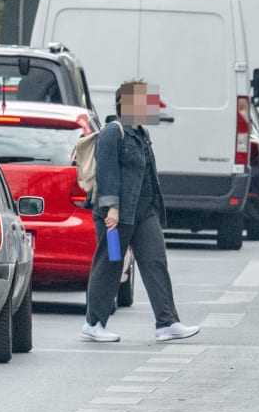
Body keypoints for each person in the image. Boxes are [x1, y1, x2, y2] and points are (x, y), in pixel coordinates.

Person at [80, 80, 200, 343]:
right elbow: (107, 171)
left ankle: (167, 323)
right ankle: (94, 323)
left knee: (156, 262)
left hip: (143, 214)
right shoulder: (113, 132)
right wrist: (111, 207)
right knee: (111, 264)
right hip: (116, 217)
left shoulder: (141, 133)